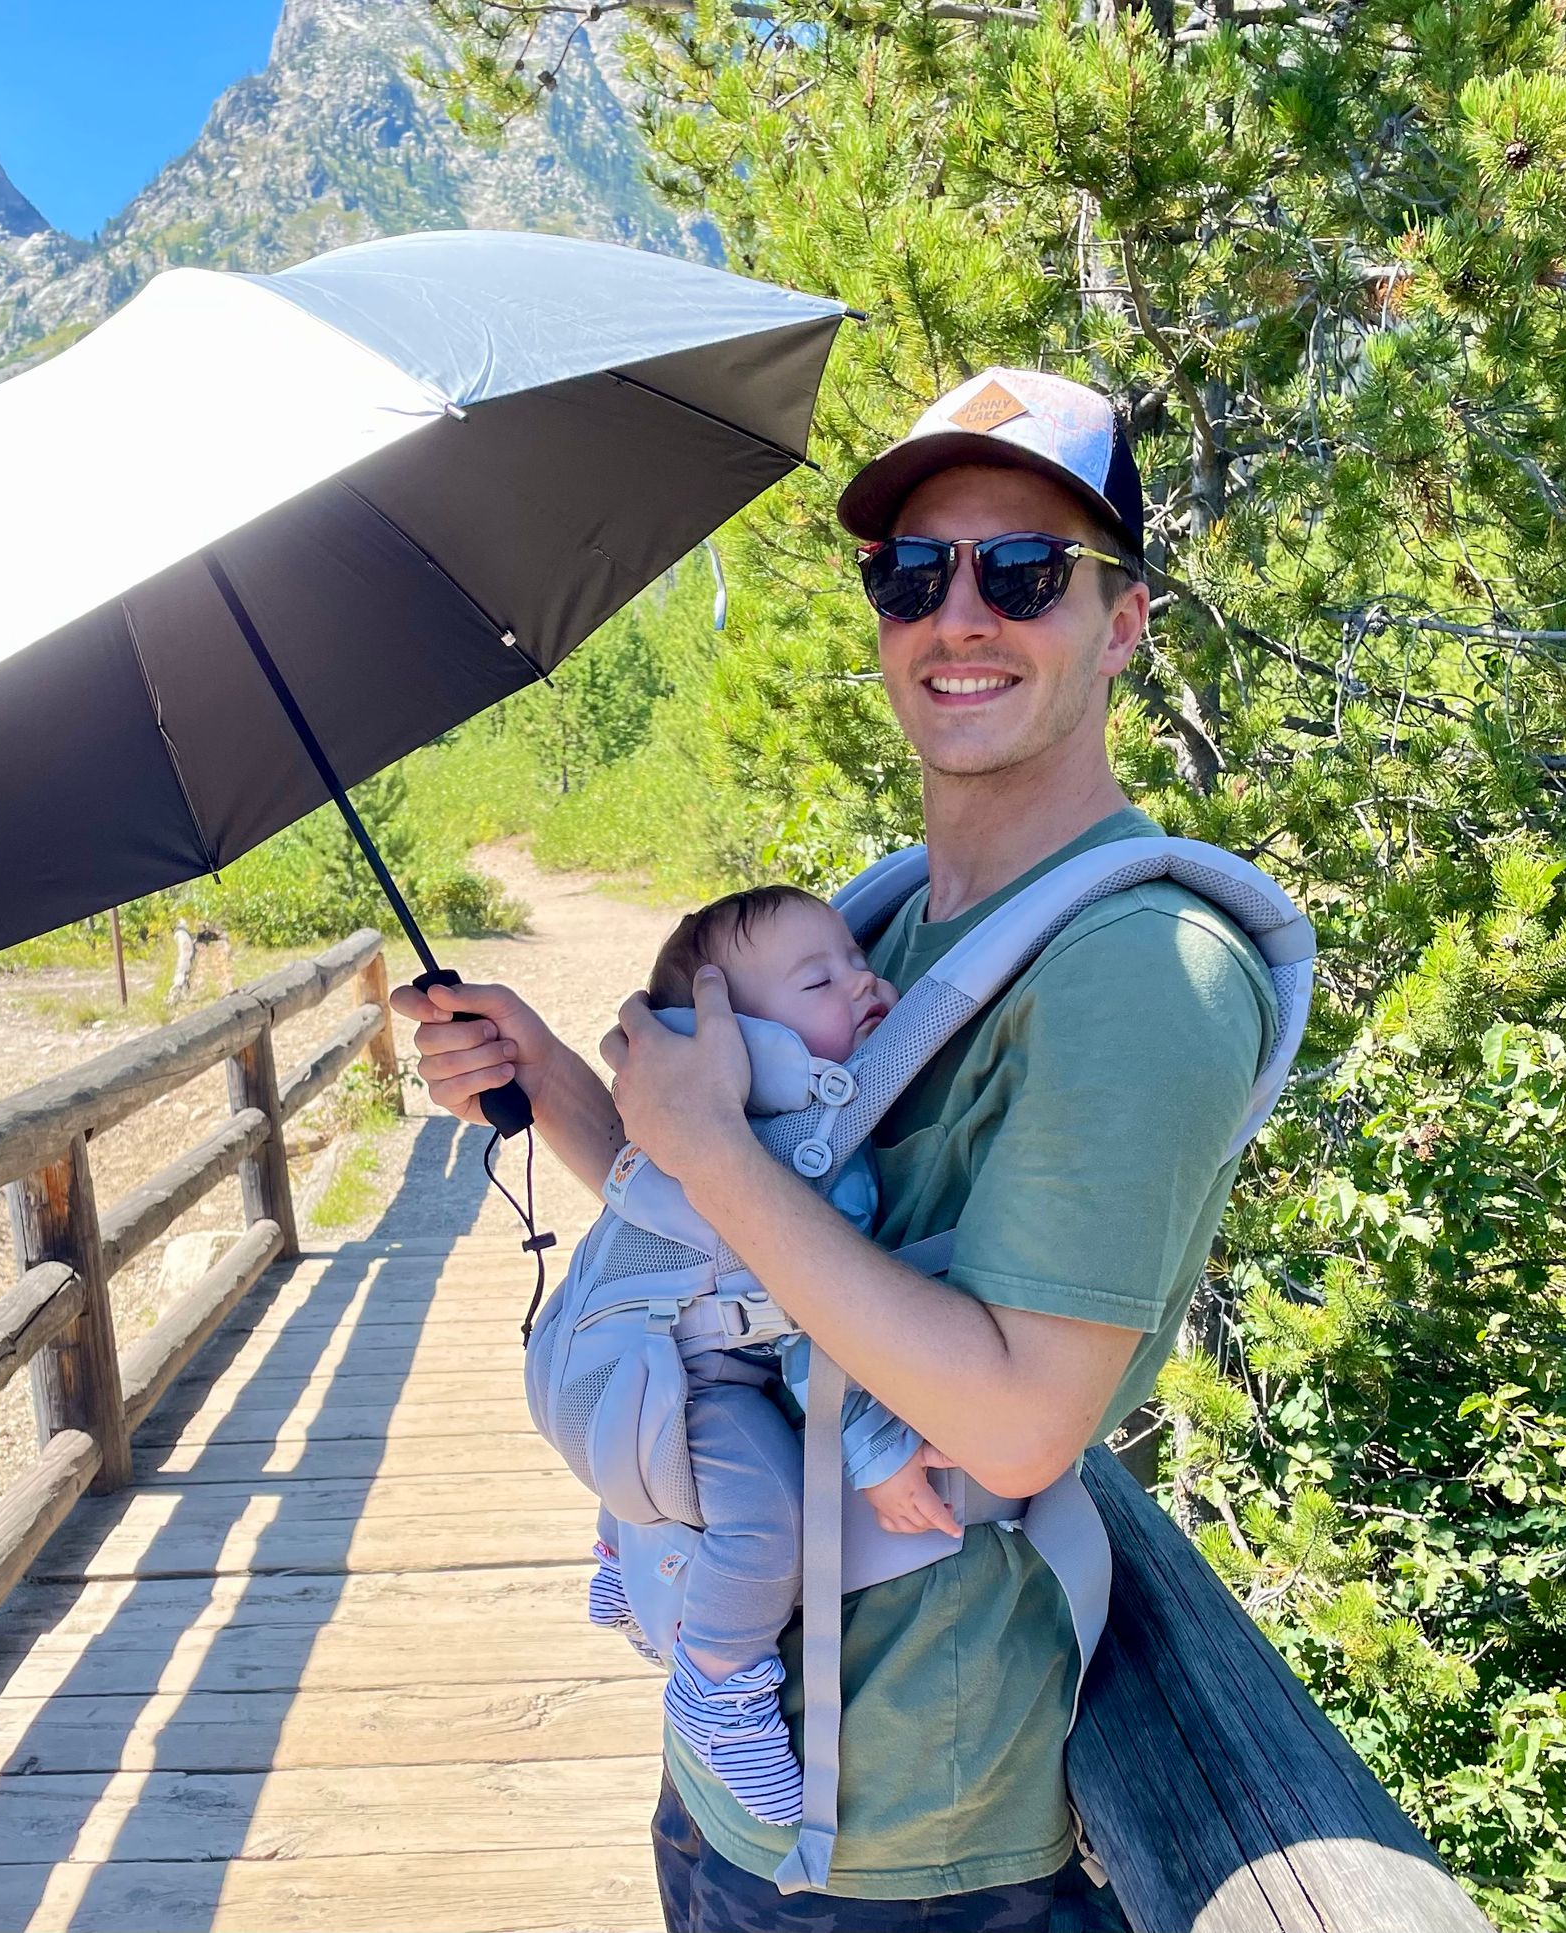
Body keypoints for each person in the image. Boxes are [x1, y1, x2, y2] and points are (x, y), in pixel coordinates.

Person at [394, 367, 1277, 1930]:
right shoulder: (888, 918)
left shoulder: (1142, 969)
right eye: (910, 572)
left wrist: (711, 1150)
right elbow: (755, 1241)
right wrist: (567, 1085)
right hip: (739, 1754)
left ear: (1124, 623)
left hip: (903, 1825)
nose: (959, 615)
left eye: (1024, 573)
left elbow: (1015, 1425)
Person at [585, 884, 956, 1829]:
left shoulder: (743, 1123)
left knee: (666, 1441)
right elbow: (815, 1323)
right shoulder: (796, 1153)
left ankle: (622, 1557)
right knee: (771, 1509)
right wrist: (875, 1454)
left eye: (853, 958)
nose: (866, 981)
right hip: (709, 1375)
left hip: (641, 1360)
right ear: (740, 1045)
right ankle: (713, 1683)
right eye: (818, 979)